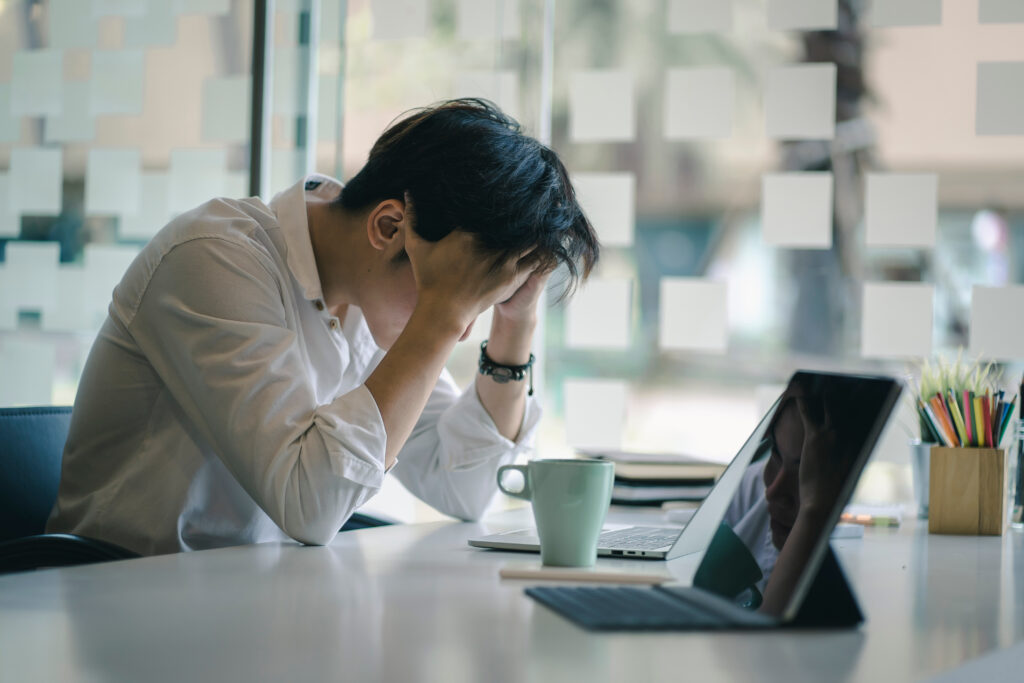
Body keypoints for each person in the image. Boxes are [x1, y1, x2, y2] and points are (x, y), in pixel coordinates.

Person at [47, 99, 600, 556]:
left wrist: (516, 318)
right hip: (129, 605)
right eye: (456, 301)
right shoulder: (213, 259)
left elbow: (464, 487)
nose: (458, 333)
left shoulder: (367, 296)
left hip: (258, 606)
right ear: (389, 228)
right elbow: (309, 504)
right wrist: (440, 313)